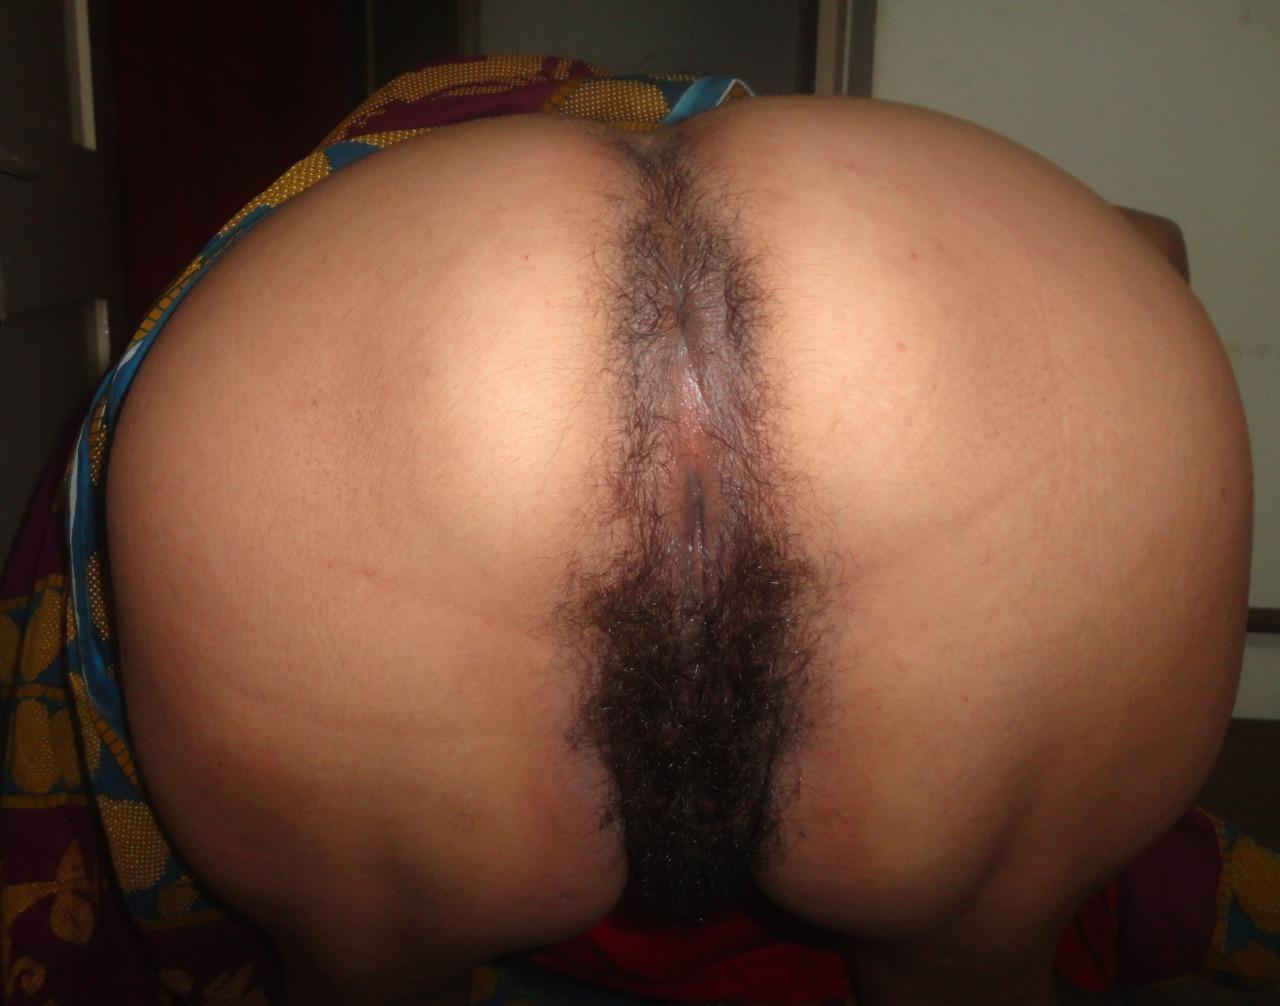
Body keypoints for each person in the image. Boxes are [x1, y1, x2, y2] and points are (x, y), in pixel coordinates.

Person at [0, 54, 1268, 1006]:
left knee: (369, 973)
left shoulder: (399, 196)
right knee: (970, 968)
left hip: (334, 379)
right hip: (1041, 294)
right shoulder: (998, 227)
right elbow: (1150, 250)